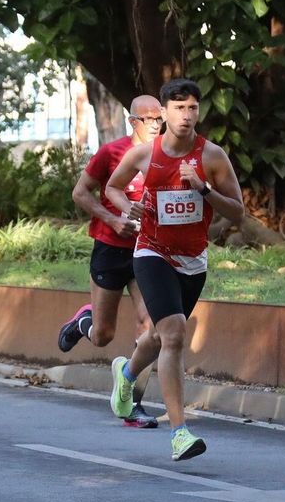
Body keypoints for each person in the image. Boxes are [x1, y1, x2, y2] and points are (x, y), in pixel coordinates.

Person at [104, 78, 244, 461]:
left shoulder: (212, 156)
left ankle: (126, 375)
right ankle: (180, 432)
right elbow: (112, 189)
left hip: (193, 261)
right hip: (151, 252)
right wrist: (125, 207)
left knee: (157, 336)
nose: (186, 115)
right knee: (175, 334)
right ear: (163, 113)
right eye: (178, 108)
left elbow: (238, 212)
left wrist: (203, 189)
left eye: (193, 108)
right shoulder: (144, 155)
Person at [59, 94, 163, 427]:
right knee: (103, 335)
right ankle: (83, 322)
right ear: (133, 122)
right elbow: (80, 193)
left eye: (160, 119)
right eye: (150, 120)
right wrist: (113, 219)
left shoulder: (166, 155)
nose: (157, 125)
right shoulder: (111, 153)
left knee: (152, 326)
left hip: (146, 250)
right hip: (110, 248)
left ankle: (131, 402)